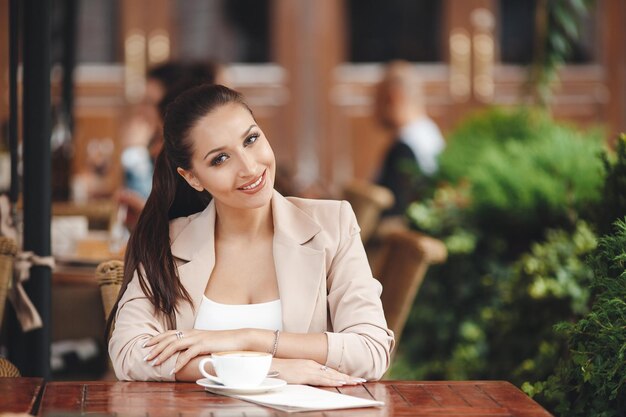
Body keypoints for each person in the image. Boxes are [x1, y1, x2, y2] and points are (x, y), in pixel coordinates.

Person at [108, 84, 394, 384]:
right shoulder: (168, 242)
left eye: (251, 139)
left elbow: (371, 351)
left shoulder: (332, 224)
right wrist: (271, 368)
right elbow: (129, 354)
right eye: (220, 159)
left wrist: (246, 340)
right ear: (192, 177)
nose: (249, 167)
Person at [375, 60, 445, 216]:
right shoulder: (428, 133)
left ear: (394, 97)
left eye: (377, 100)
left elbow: (389, 212)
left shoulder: (405, 148)